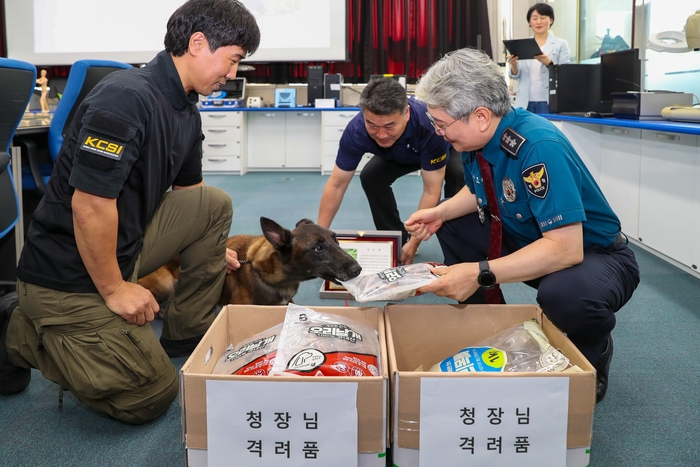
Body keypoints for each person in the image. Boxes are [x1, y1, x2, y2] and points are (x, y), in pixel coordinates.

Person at [0, 0, 260, 424]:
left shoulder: (186, 113)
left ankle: (186, 333)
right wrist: (116, 289)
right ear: (198, 44)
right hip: (67, 275)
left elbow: (192, 199)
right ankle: (18, 330)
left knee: (214, 205)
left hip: (124, 246)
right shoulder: (126, 98)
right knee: (147, 397)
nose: (232, 75)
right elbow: (89, 206)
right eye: (232, 61)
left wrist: (213, 250)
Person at [405, 48, 639, 403]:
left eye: (440, 123)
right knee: (451, 224)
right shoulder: (478, 138)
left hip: (595, 256)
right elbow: (480, 187)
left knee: (564, 296)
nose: (438, 132)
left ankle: (593, 347)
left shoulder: (538, 147)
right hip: (529, 238)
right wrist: (441, 212)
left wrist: (479, 272)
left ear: (480, 116)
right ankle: (489, 328)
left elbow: (565, 248)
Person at [317, 77, 464, 265]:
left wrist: (415, 243)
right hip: (397, 153)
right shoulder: (356, 131)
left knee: (458, 175)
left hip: (441, 150)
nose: (381, 134)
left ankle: (458, 247)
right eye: (372, 125)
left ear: (407, 113)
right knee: (371, 176)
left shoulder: (429, 126)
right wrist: (318, 235)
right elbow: (336, 185)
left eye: (389, 126)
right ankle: (396, 241)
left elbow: (431, 191)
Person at [507, 3, 570, 114]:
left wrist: (549, 63)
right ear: (529, 22)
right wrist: (514, 65)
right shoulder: (523, 44)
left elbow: (566, 73)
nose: (539, 22)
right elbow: (515, 75)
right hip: (525, 101)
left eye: (543, 18)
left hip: (548, 100)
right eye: (534, 18)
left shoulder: (560, 44)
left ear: (551, 20)